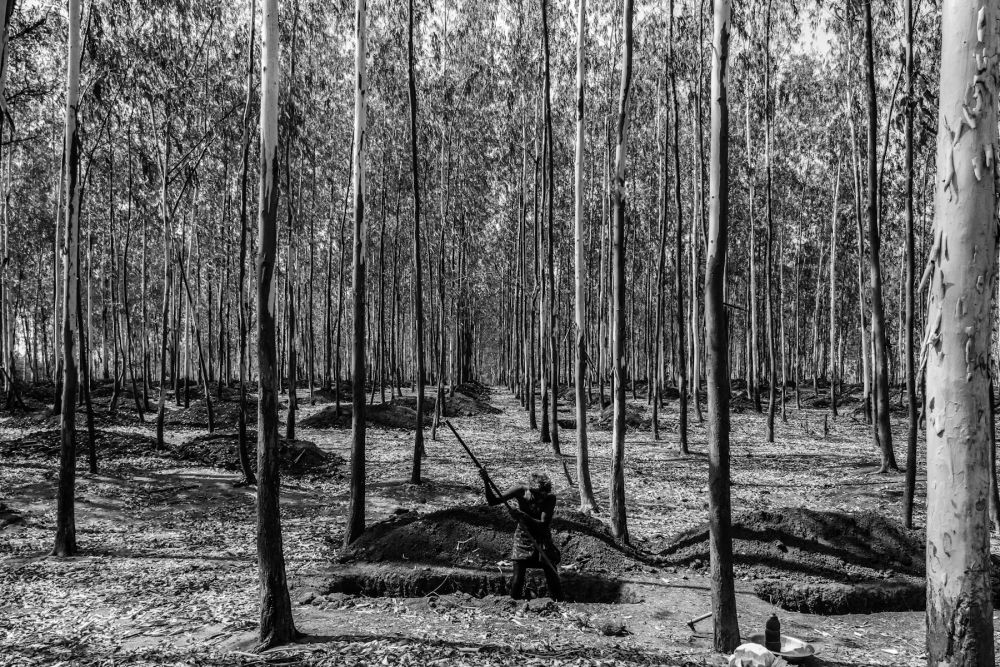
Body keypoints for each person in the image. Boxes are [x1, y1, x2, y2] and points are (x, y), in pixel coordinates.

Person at [481, 470, 563, 601]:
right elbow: (493, 501)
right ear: (530, 489)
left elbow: (543, 524)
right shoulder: (520, 490)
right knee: (517, 577)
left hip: (542, 537)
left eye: (542, 495)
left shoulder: (550, 498)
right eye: (536, 494)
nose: (539, 498)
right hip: (522, 537)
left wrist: (523, 516)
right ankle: (513, 603)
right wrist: (486, 482)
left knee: (551, 574)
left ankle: (559, 602)